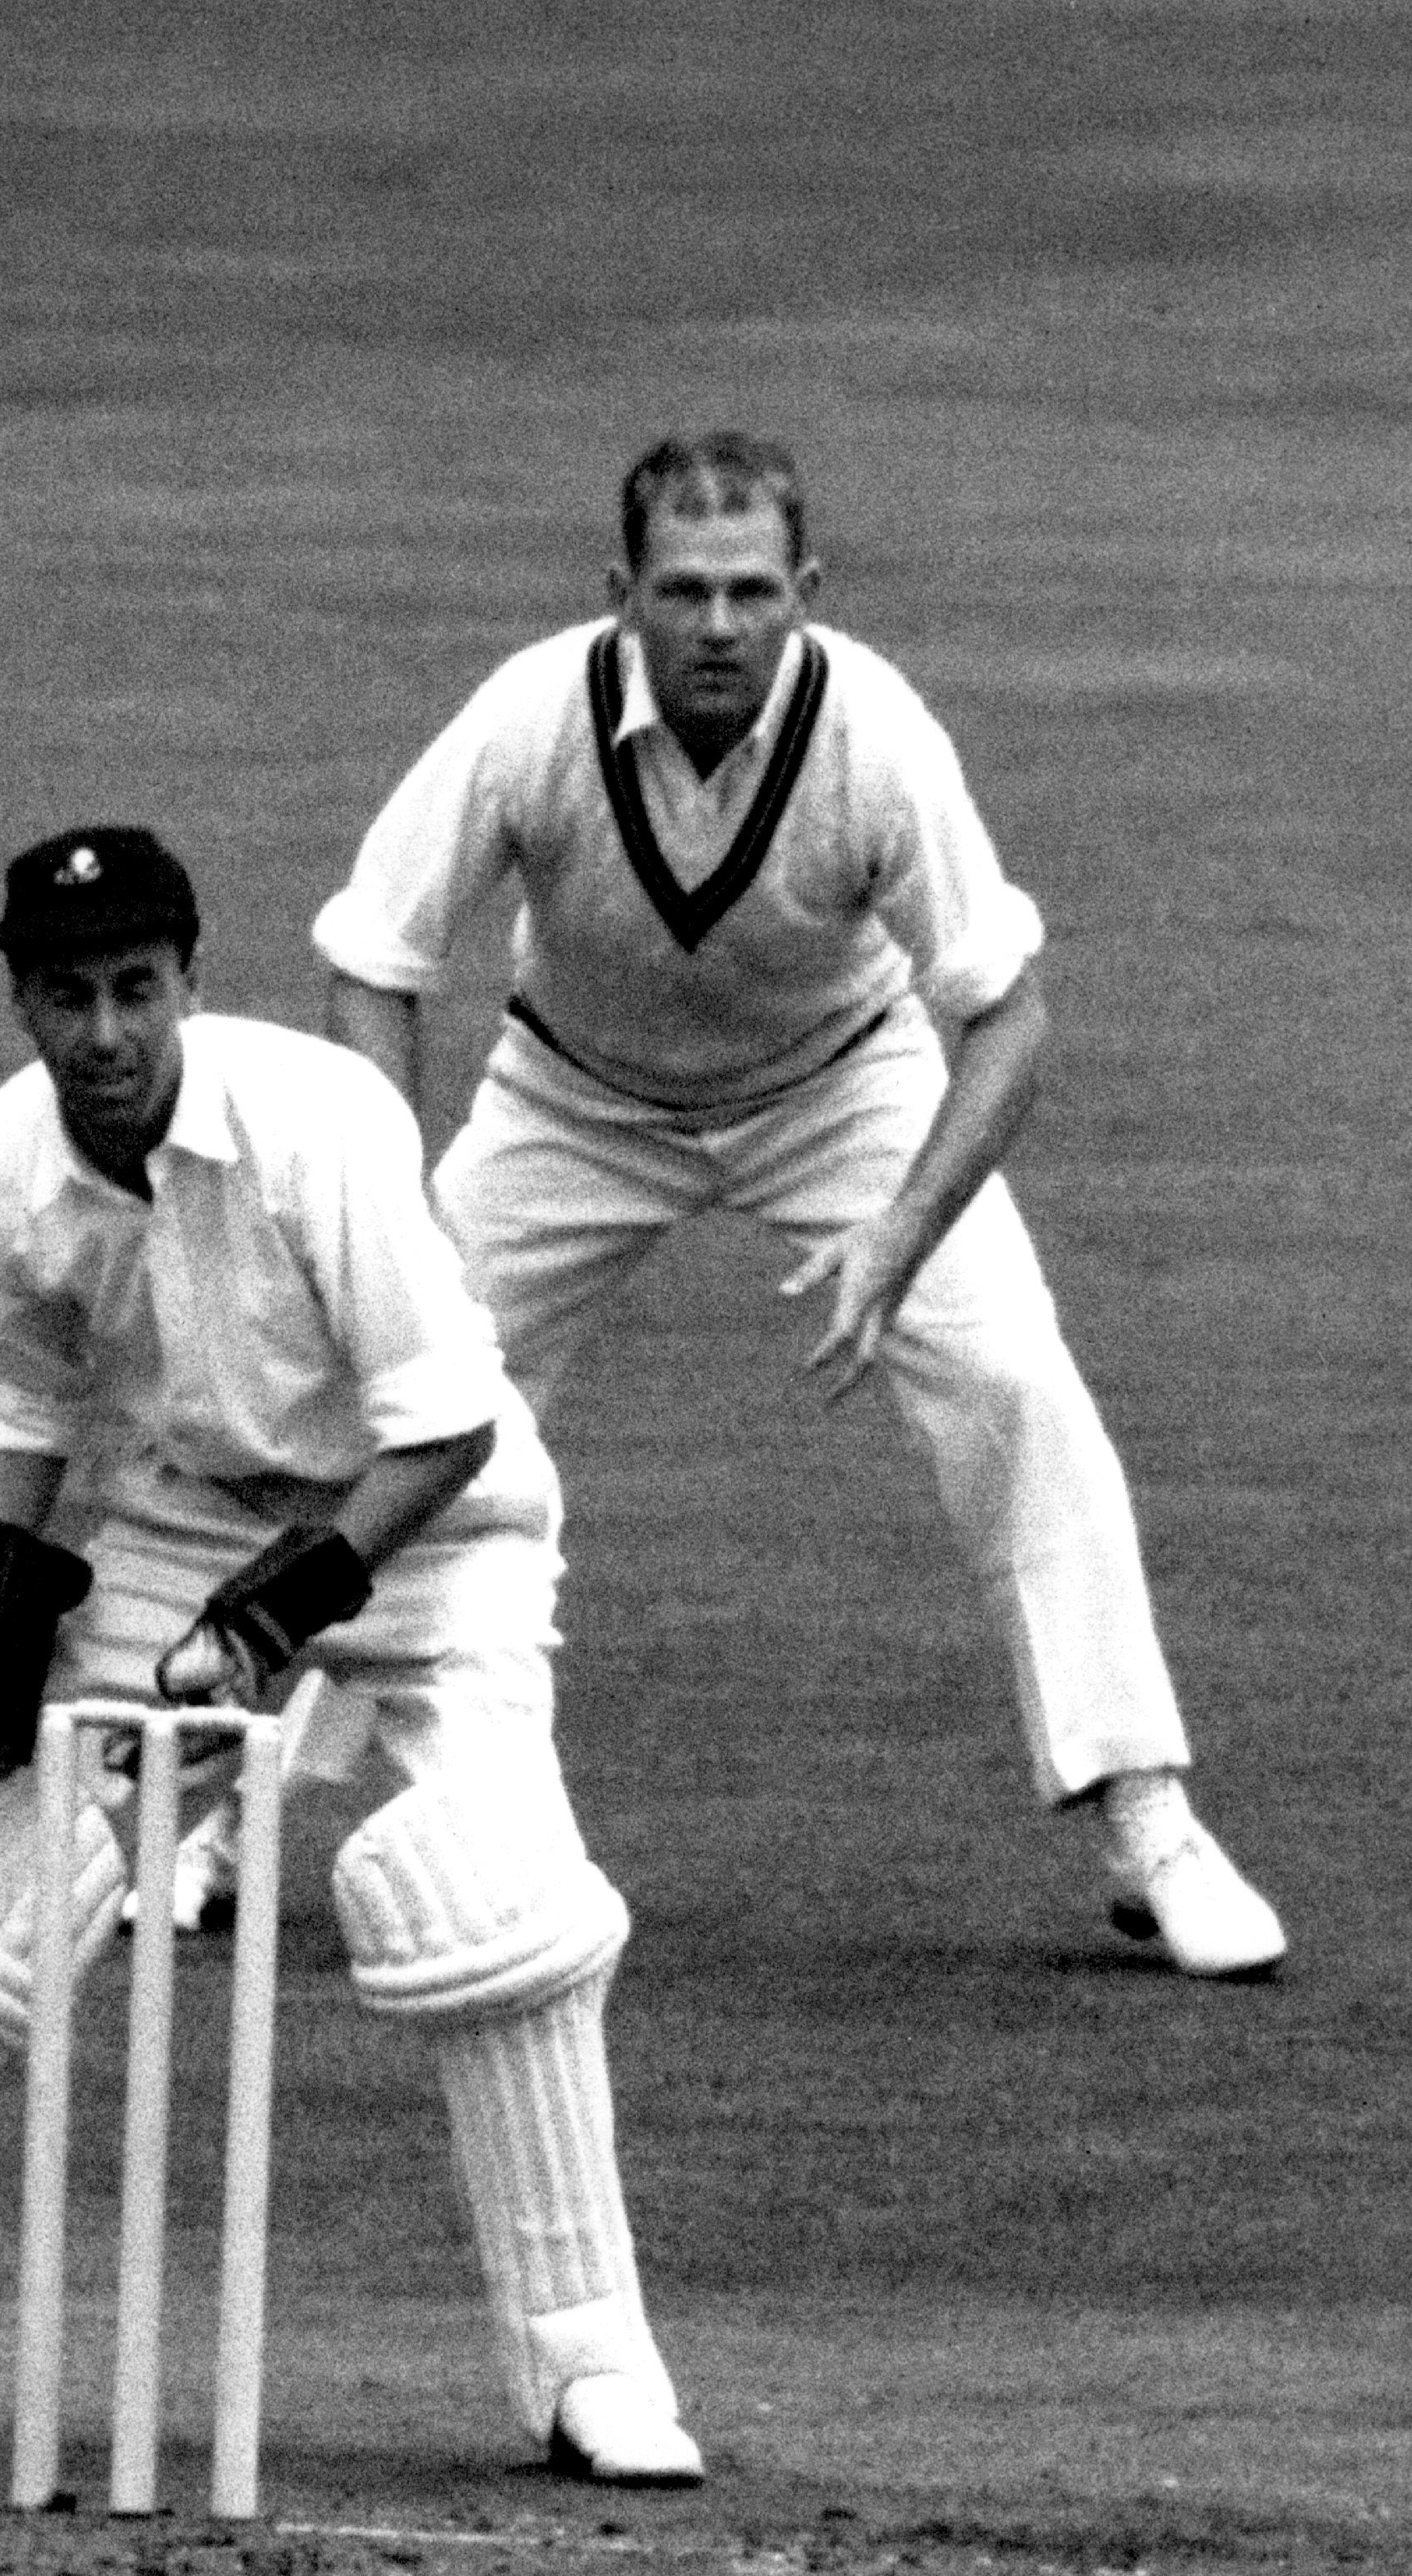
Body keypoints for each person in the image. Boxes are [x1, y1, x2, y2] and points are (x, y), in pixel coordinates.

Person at [0, 822, 704, 2576]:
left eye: (138, 992)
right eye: (70, 997)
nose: (106, 1032)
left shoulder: (318, 1120)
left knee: (503, 1908)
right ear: (18, 999)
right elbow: (18, 1409)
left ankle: (592, 2365)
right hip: (179, 1533)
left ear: (186, 983)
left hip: (431, 1533)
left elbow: (446, 1422)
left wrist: (284, 1612)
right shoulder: (14, 1160)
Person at [304, 431, 1283, 1982]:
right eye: (680, 591)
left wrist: (898, 1234)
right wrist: (394, 1228)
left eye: (750, 592)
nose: (714, 627)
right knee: (397, 1408)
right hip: (568, 1102)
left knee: (1018, 1385)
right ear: (616, 593)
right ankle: (215, 1793)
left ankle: (1148, 1821)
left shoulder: (877, 735)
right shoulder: (524, 717)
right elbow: (377, 955)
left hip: (844, 1094)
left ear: (804, 595)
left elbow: (1004, 1016)